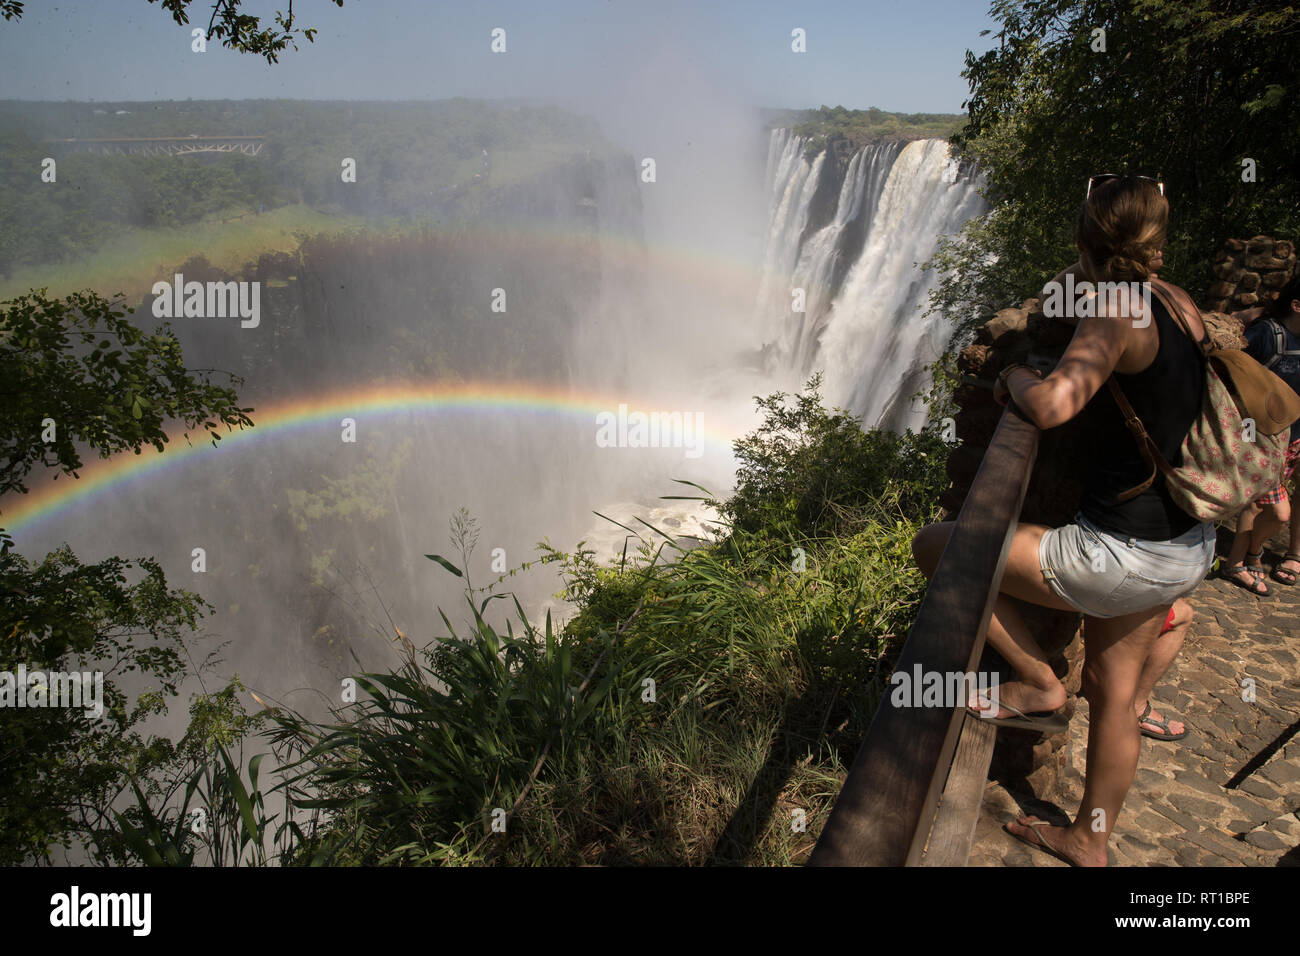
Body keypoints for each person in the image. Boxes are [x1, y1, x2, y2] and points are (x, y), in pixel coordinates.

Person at [911, 175, 1216, 866]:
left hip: (1124, 551)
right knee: (1113, 694)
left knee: (939, 549)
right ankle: (1089, 839)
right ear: (1158, 246)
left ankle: (1036, 681)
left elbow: (1052, 405)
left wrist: (1012, 376)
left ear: (1083, 242)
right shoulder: (1181, 302)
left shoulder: (1114, 310)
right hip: (1184, 542)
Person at [1220, 276, 1300, 592]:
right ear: (1296, 306)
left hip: (1293, 440)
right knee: (1267, 507)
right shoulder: (1268, 335)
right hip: (1263, 437)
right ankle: (1238, 563)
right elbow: (1232, 374)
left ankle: (1250, 556)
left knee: (1273, 509)